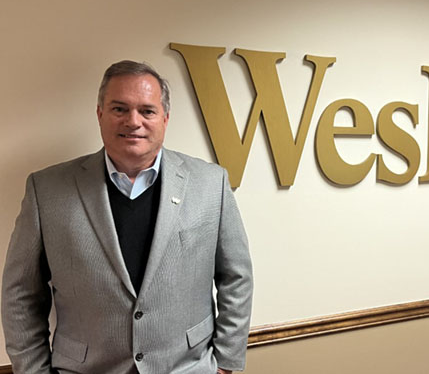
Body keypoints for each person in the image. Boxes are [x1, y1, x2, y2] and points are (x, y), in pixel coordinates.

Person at [1, 60, 253, 374]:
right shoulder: (47, 190)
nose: (133, 121)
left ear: (165, 118)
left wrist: (226, 363)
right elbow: (20, 293)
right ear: (100, 114)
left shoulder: (210, 183)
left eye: (147, 111)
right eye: (119, 109)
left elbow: (236, 277)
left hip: (188, 367)